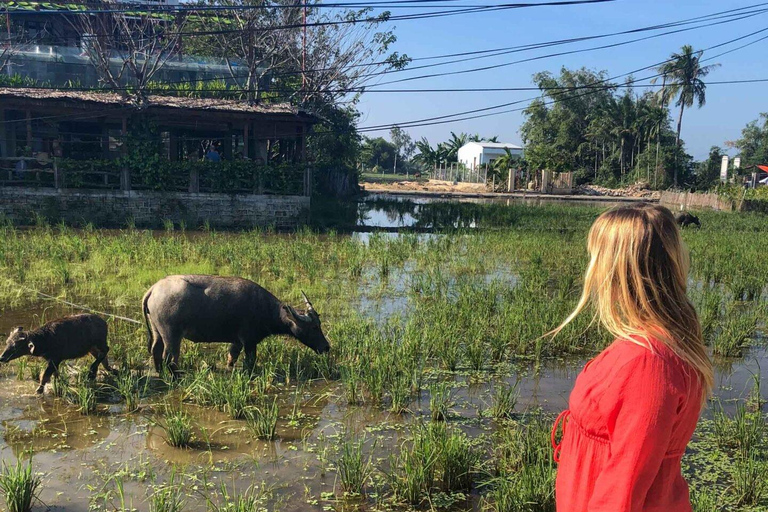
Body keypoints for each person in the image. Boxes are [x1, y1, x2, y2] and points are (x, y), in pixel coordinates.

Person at [549, 203, 713, 512]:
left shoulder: (648, 362)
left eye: (595, 256)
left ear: (616, 269)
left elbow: (622, 492)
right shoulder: (656, 342)